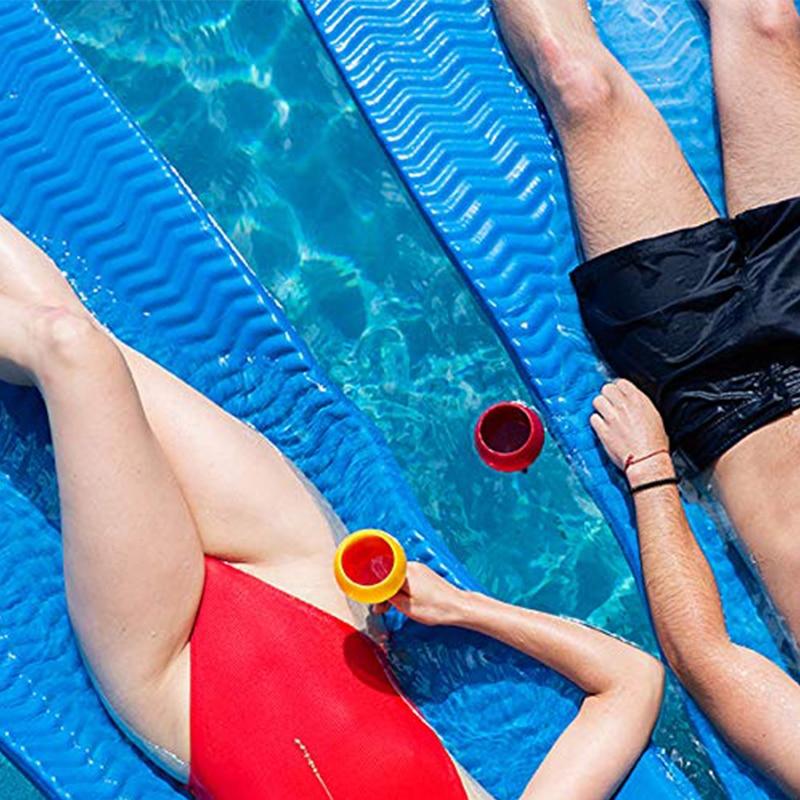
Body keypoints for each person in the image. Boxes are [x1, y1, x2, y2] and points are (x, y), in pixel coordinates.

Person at [0, 216, 662, 799]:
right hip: (307, 590)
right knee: (83, 338)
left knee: (73, 354)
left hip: (177, 679)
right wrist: (461, 608)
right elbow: (632, 681)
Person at [492, 0, 800, 793]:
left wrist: (653, 471)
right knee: (766, 19)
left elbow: (705, 656)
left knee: (579, 83)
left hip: (710, 383)